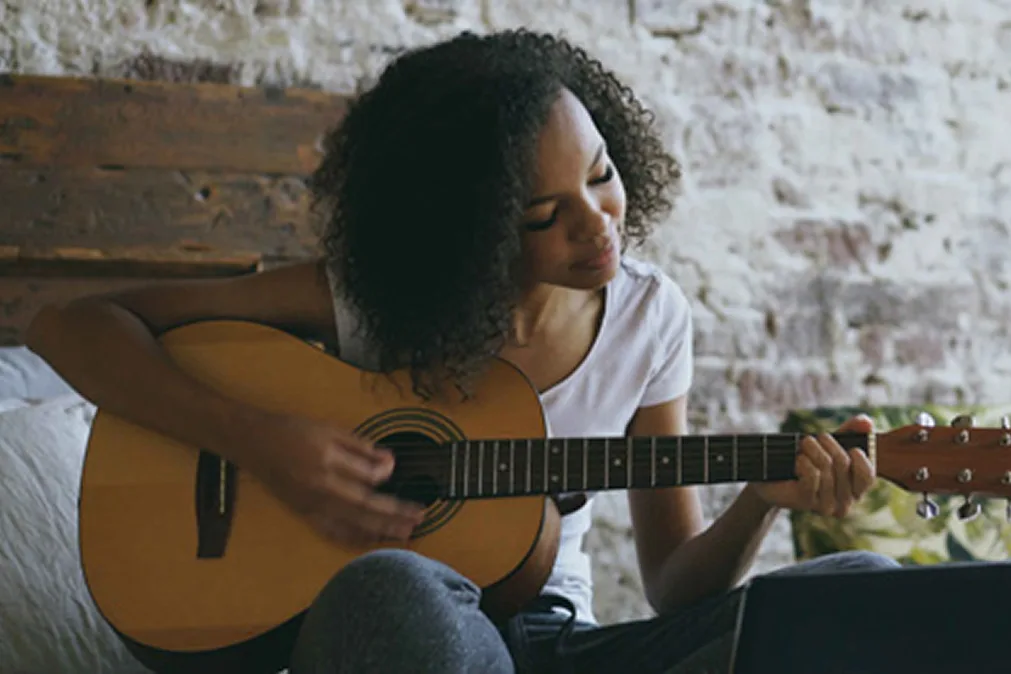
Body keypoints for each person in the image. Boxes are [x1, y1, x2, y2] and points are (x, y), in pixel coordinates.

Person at [25, 29, 898, 674]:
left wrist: (757, 501)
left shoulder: (646, 318)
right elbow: (67, 324)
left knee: (860, 586)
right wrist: (258, 442)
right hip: (403, 637)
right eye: (539, 215)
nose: (598, 224)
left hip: (556, 643)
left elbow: (675, 586)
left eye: (600, 175)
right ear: (464, 233)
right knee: (395, 586)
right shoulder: (366, 306)